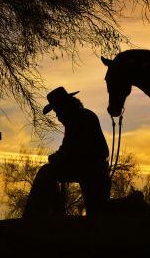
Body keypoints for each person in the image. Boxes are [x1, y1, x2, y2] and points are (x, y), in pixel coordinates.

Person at [23, 87, 110, 218]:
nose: (57, 116)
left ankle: (46, 214)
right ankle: (55, 212)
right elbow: (68, 148)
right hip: (92, 170)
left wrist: (54, 158)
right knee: (97, 212)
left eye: (58, 110)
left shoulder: (76, 119)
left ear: (65, 106)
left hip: (90, 171)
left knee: (47, 171)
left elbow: (68, 150)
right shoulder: (83, 115)